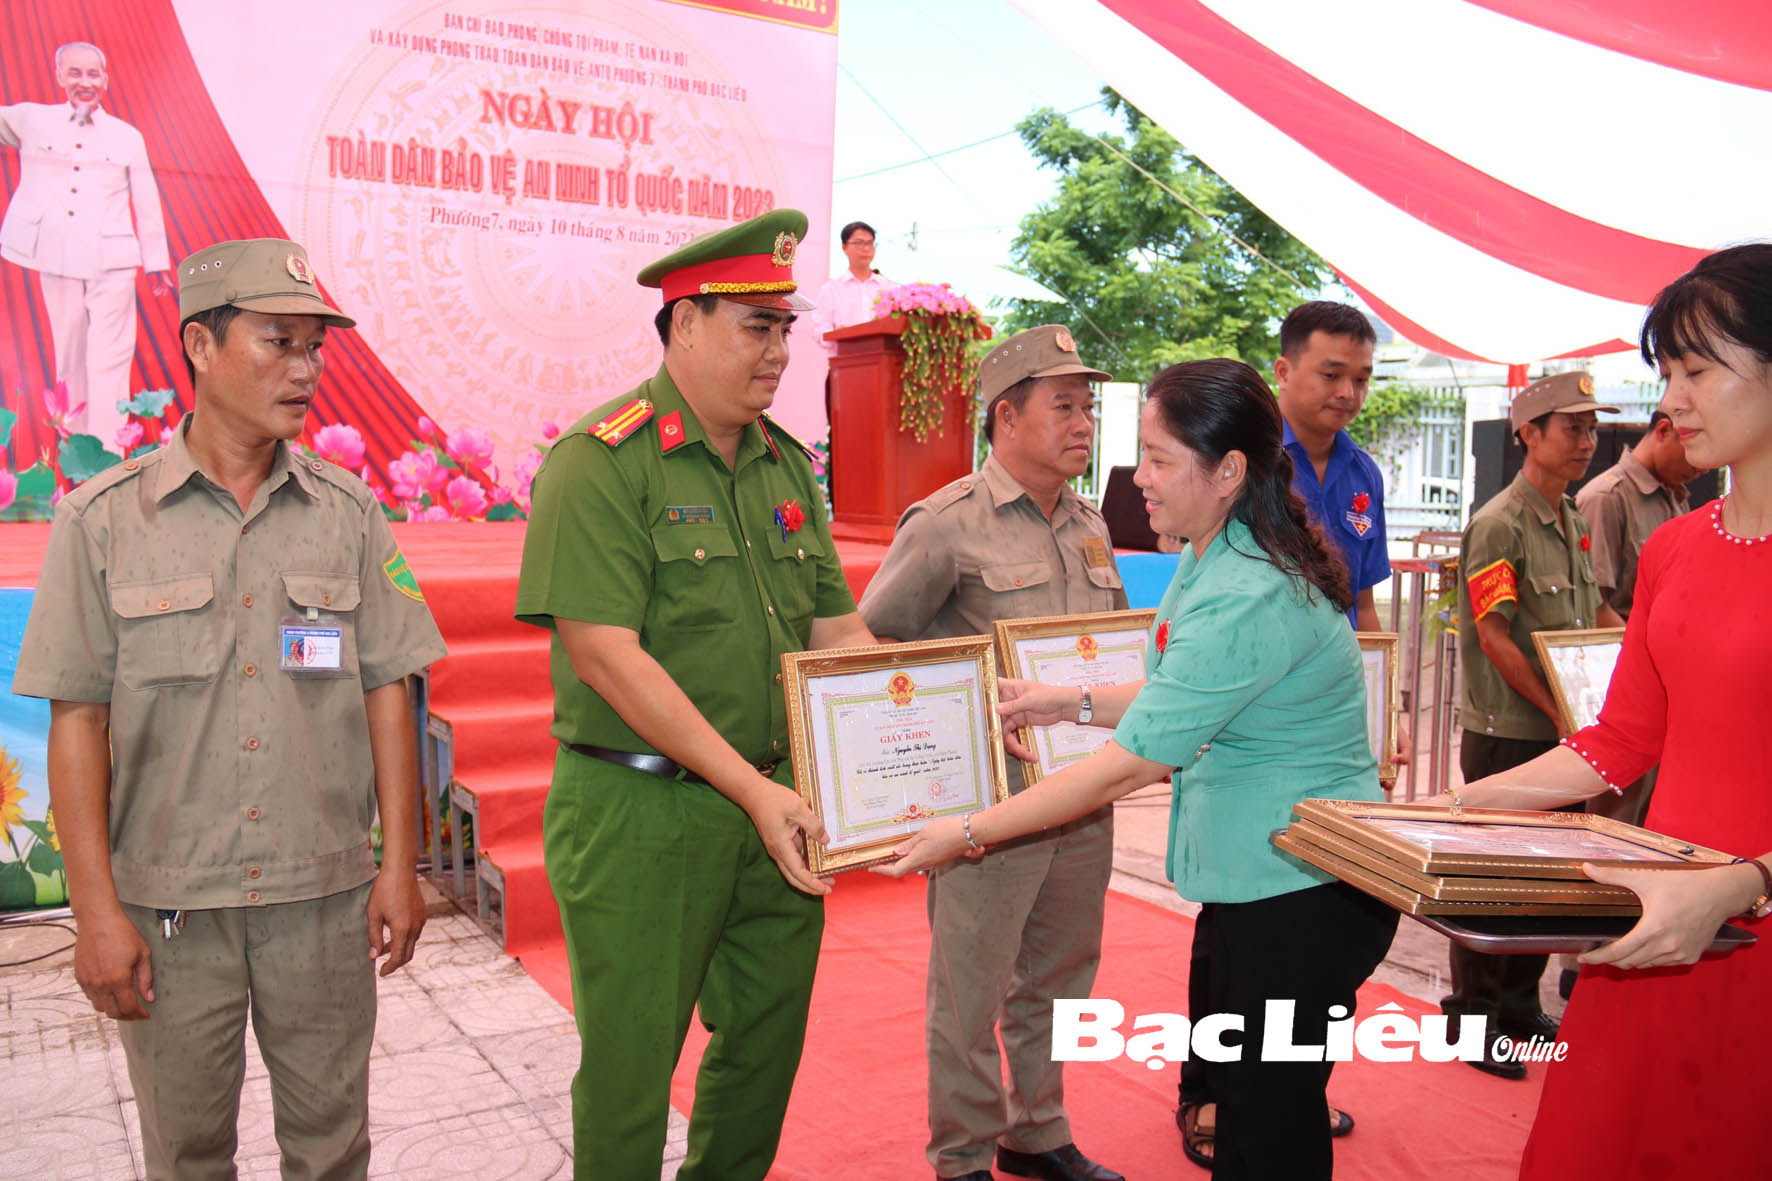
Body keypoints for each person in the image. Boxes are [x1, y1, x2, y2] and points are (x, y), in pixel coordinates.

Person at [879, 358, 1398, 1181]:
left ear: (1228, 470)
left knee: (1271, 1121)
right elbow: (1172, 690)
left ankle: (1039, 1131)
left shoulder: (1248, 589)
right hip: (1262, 883)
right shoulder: (1212, 550)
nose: (1135, 476)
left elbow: (1131, 764)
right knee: (1255, 1102)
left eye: (1158, 458)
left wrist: (965, 829)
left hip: (1306, 894)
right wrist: (1065, 701)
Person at [10, 237, 444, 1178]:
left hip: (323, 900)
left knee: (332, 1149)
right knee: (188, 1152)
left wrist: (398, 867)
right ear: (200, 347)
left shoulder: (350, 514)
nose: (306, 369)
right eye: (279, 342)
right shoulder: (103, 520)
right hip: (169, 906)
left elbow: (387, 687)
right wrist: (94, 915)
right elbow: (77, 723)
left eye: (314, 348)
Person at [514, 208, 877, 1180]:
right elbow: (605, 655)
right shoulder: (600, 462)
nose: (778, 351)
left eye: (785, 328)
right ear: (682, 322)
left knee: (763, 1047)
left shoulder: (788, 465)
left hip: (779, 801)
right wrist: (754, 792)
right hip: (642, 811)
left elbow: (836, 631)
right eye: (755, 327)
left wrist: (913, 735)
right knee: (632, 1070)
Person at [1434, 243, 1772, 1180]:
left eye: (1699, 370)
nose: (1673, 401)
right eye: (1667, 373)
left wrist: (1742, 883)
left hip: (1738, 916)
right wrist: (1462, 804)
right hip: (1656, 922)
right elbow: (1622, 740)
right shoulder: (1674, 551)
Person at [858, 324, 1125, 1181]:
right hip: (988, 800)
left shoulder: (1092, 523)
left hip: (1082, 788)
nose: (1084, 421)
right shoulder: (944, 524)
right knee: (971, 988)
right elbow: (872, 645)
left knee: (1061, 972)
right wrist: (961, 702)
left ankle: (1036, 1132)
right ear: (1005, 416)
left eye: (1089, 405)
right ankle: (964, 1155)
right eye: (1064, 404)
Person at [1173, 300, 1386, 1164]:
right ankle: (1211, 1091)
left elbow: (1362, 605)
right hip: (1246, 747)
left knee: (1296, 965)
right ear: (1286, 369)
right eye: (1332, 373)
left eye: (1363, 379)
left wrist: (1372, 714)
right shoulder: (1239, 464)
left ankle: (1283, 1092)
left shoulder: (1361, 470)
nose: (1347, 393)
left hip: (1314, 742)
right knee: (1233, 934)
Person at [1448, 371, 1625, 1078]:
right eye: (1571, 428)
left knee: (1547, 875)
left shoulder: (1572, 518)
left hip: (1564, 732)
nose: (1586, 442)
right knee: (1492, 875)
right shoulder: (1500, 522)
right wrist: (1561, 712)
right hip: (1510, 728)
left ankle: (1518, 1006)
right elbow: (1494, 636)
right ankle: (1472, 1018)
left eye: (1590, 429)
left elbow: (1594, 618)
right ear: (1528, 433)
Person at [1, 41, 173, 447]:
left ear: (106, 80)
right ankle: (78, 449)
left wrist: (155, 262)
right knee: (70, 354)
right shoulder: (31, 119)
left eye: (93, 74)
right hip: (55, 256)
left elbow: (146, 200)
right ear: (59, 77)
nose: (84, 82)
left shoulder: (128, 137)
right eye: (75, 73)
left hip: (111, 261)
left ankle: (109, 454)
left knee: (111, 357)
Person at [1571, 397, 1701, 829]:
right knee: (1616, 826)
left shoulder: (1676, 497)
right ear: (1663, 431)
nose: (1699, 465)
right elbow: (1595, 606)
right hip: (1624, 688)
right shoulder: (1606, 498)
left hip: (1669, 696)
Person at [811, 219, 894, 356]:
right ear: (844, 247)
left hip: (881, 359)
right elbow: (819, 329)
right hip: (846, 361)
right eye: (859, 243)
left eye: (870, 243)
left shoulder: (888, 288)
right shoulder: (831, 289)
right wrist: (837, 334)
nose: (866, 248)